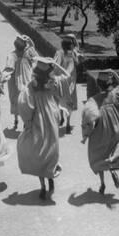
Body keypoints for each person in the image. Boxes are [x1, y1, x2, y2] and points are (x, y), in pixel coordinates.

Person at [16, 57, 71, 200]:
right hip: (52, 116)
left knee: (38, 150)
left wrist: (27, 121)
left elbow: (25, 104)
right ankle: (50, 175)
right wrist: (57, 65)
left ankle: (42, 186)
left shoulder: (31, 86)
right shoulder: (53, 82)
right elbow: (68, 77)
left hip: (38, 119)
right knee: (51, 148)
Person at [81, 70, 119, 194]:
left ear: (98, 85)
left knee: (98, 154)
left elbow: (89, 118)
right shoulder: (114, 93)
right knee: (114, 148)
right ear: (110, 83)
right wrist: (114, 73)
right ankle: (112, 167)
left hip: (101, 129)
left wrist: (86, 135)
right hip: (114, 126)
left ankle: (102, 183)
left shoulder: (93, 100)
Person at [4, 34, 37, 130]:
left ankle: (16, 120)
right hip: (24, 80)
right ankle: (24, 121)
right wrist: (29, 39)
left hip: (17, 81)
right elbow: (33, 48)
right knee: (25, 100)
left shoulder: (13, 55)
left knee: (16, 99)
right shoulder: (26, 52)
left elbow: (8, 69)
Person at [54, 35, 82, 134]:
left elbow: (54, 65)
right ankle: (68, 123)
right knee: (69, 101)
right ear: (71, 45)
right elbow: (77, 62)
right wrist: (74, 39)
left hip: (61, 80)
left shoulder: (58, 53)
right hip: (70, 81)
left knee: (61, 99)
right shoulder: (73, 54)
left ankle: (61, 118)